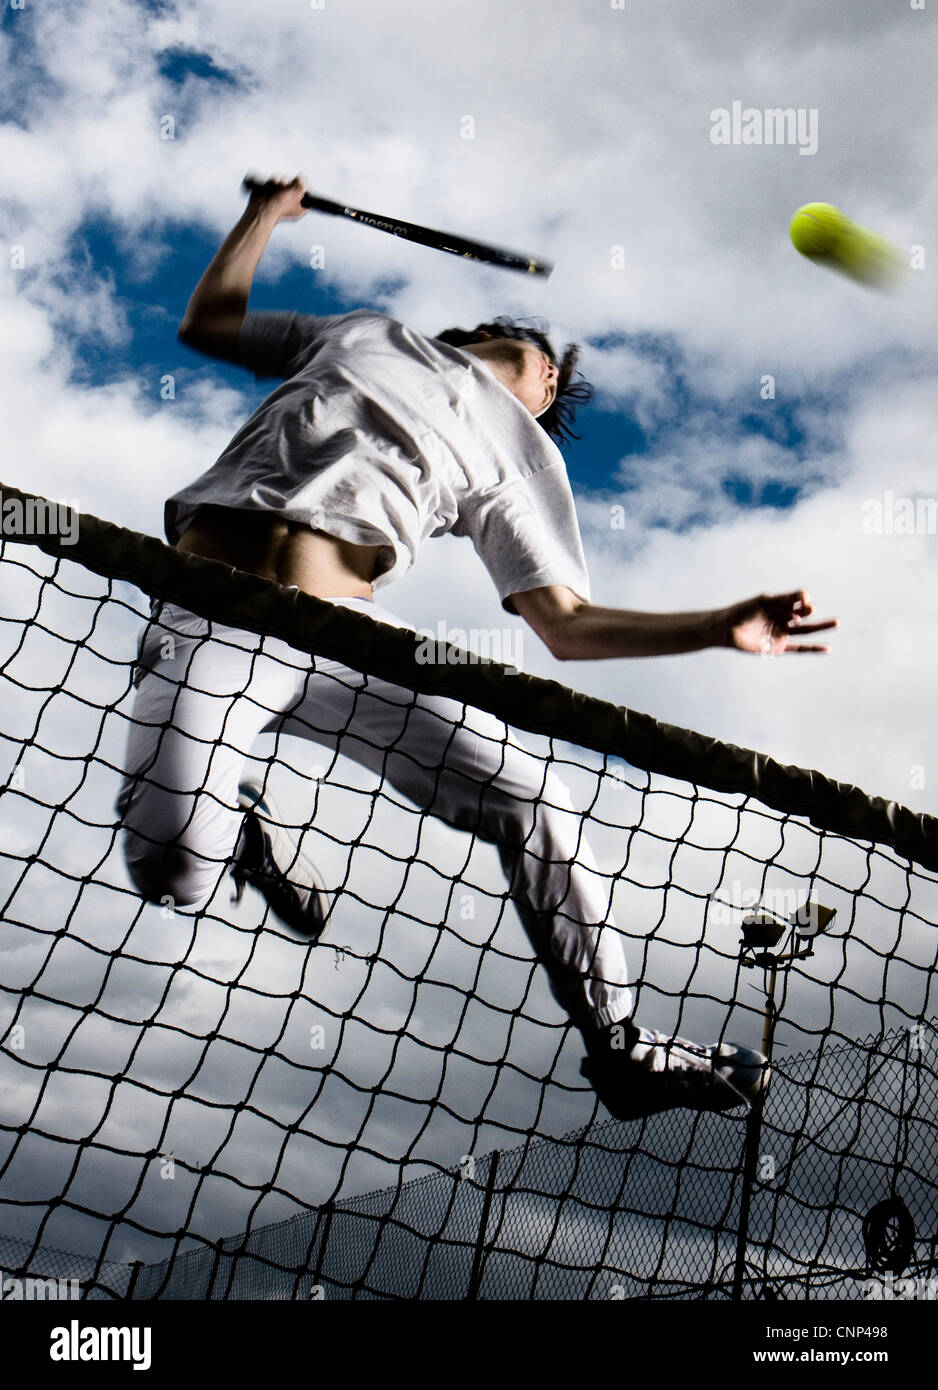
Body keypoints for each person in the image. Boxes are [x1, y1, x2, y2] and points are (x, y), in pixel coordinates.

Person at [117, 176, 838, 1122]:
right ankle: (237, 824)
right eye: (550, 366)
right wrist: (264, 217)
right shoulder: (362, 331)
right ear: (493, 338)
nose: (551, 378)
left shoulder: (518, 452)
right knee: (171, 872)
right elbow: (212, 324)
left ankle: (622, 1049)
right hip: (213, 611)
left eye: (555, 389)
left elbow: (565, 627)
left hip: (349, 637)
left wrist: (715, 625)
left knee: (535, 795)